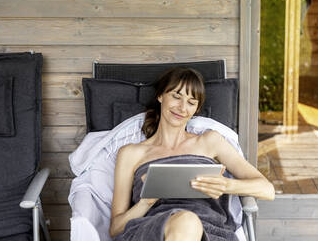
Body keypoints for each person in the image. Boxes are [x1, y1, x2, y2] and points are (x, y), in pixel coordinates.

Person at [109, 67, 275, 241]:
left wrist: (226, 185)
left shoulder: (210, 141)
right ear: (160, 96)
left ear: (196, 109)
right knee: (186, 221)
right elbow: (115, 229)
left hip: (210, 232)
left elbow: (267, 189)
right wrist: (145, 203)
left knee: (188, 221)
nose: (182, 108)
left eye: (191, 102)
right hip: (150, 232)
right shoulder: (130, 154)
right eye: (176, 96)